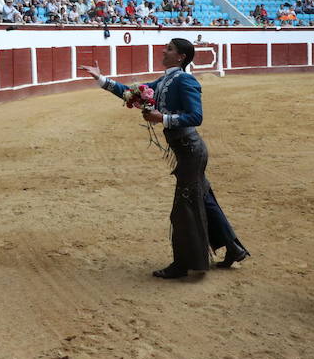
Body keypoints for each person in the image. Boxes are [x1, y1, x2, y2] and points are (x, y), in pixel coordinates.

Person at [80, 39, 249, 279]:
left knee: (183, 209)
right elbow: (132, 94)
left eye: (169, 48)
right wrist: (102, 79)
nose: (163, 50)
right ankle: (234, 249)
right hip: (186, 149)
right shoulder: (165, 80)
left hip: (190, 150)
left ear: (180, 56)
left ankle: (184, 264)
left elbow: (196, 116)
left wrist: (163, 119)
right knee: (204, 200)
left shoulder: (185, 79)